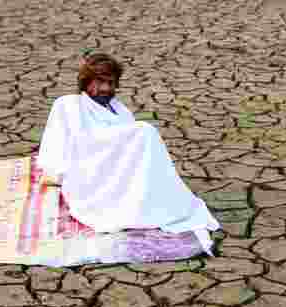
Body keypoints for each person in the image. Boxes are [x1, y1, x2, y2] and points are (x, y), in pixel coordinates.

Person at [36, 52, 218, 255]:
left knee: (145, 134)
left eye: (111, 82)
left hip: (120, 178)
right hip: (90, 179)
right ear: (86, 82)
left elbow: (132, 155)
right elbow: (77, 146)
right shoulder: (68, 105)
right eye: (99, 81)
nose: (105, 88)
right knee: (144, 131)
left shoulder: (120, 110)